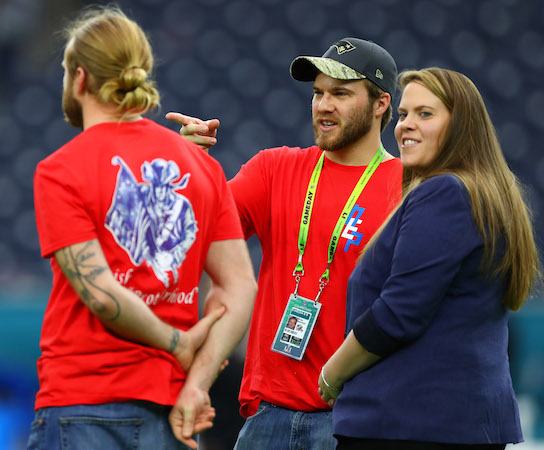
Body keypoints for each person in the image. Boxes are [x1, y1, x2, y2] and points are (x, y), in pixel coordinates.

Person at [29, 6, 257, 450]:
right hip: (172, 411)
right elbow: (239, 287)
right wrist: (197, 384)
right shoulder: (200, 165)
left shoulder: (60, 169)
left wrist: (177, 343)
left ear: (79, 79)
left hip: (81, 403)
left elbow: (100, 293)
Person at [168, 37, 403, 449]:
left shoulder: (408, 186)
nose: (323, 105)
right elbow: (196, 238)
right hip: (268, 416)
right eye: (318, 93)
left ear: (381, 103)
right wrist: (188, 169)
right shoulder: (274, 168)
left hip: (357, 416)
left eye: (341, 94)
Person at [318, 67, 539, 449]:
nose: (405, 126)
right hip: (455, 421)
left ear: (462, 126)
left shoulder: (445, 193)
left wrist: (332, 374)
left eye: (425, 114)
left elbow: (398, 313)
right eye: (403, 114)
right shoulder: (483, 193)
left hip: (409, 422)